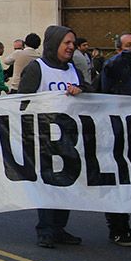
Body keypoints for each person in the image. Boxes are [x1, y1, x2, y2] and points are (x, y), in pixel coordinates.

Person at [18, 25, 86, 248]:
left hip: (68, 139)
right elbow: (22, 102)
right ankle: (45, 230)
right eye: (66, 43)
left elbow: (90, 93)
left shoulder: (72, 69)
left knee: (66, 182)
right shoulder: (37, 68)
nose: (70, 47)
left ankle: (59, 228)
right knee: (47, 184)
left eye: (72, 43)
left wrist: (82, 90)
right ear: (53, 44)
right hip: (42, 137)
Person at [97, 31, 131, 246]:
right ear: (119, 50)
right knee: (116, 181)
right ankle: (116, 230)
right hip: (114, 131)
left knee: (128, 182)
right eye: (128, 46)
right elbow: (110, 68)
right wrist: (129, 55)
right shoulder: (114, 67)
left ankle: (126, 226)